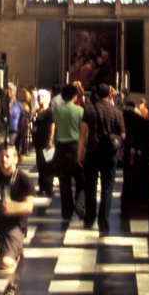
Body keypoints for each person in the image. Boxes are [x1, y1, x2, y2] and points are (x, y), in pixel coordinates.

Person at [78, 82, 126, 233]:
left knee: (90, 187)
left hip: (92, 152)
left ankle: (89, 219)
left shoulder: (89, 109)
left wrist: (80, 153)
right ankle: (104, 223)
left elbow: (83, 133)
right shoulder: (117, 112)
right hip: (109, 154)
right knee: (107, 188)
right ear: (109, 94)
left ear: (97, 94)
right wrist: (115, 139)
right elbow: (123, 135)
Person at [51, 82, 86, 223]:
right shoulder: (80, 111)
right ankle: (80, 205)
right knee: (80, 180)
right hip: (76, 147)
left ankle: (66, 211)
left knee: (64, 181)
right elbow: (84, 132)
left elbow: (55, 125)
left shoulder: (57, 111)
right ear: (75, 95)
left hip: (61, 148)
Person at [31, 88, 55, 196]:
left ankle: (48, 187)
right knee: (40, 164)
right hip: (38, 141)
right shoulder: (38, 111)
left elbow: (52, 124)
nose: (39, 99)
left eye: (42, 97)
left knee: (47, 163)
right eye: (38, 97)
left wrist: (50, 139)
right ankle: (42, 186)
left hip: (45, 141)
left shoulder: (49, 112)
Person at [7, 82, 24, 150]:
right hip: (3, 133)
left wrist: (21, 134)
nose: (8, 91)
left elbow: (22, 119)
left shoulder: (18, 105)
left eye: (10, 89)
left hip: (14, 132)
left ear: (15, 92)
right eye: (7, 89)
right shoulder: (1, 104)